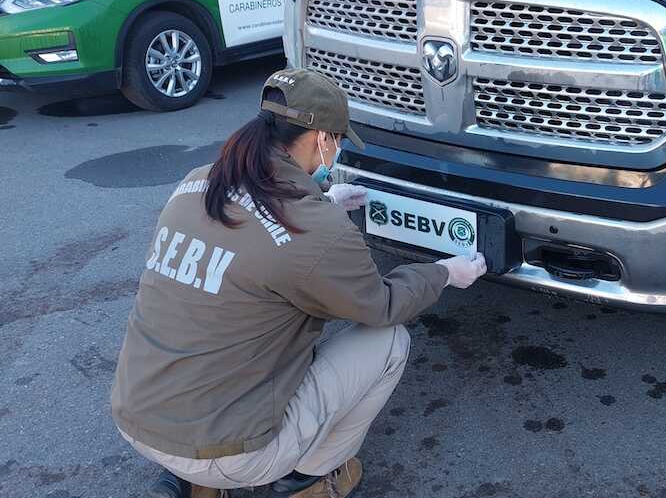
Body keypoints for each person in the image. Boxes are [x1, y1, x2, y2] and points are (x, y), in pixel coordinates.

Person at [111, 69, 488, 498]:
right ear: (321, 140)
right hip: (227, 452)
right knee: (389, 343)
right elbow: (383, 304)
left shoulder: (198, 180)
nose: (337, 151)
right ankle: (306, 480)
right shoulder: (314, 229)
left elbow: (255, 230)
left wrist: (323, 201)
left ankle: (194, 483)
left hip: (137, 419)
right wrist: (444, 273)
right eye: (340, 141)